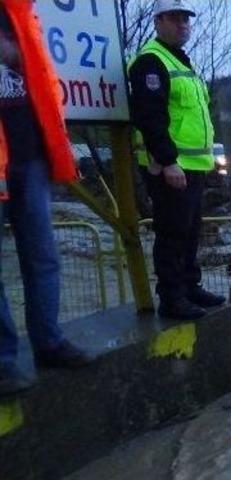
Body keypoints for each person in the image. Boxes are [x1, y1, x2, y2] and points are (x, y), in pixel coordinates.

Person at [0, 0, 93, 397]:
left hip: (30, 155)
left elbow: (42, 78)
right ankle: (4, 361)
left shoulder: (22, 12)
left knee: (43, 255)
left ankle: (48, 342)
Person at [129, 0, 225, 320]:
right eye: (174, 18)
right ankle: (172, 298)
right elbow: (150, 116)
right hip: (171, 166)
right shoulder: (151, 62)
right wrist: (168, 161)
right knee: (172, 232)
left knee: (190, 230)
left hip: (193, 166)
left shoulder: (181, 61)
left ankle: (189, 286)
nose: (182, 24)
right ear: (158, 22)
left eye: (185, 19)